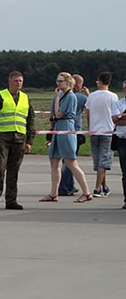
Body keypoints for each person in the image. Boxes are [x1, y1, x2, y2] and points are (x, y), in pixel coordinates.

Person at [0, 71, 36, 210]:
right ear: (9, 81)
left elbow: (30, 121)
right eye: (15, 81)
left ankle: (11, 200)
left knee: (14, 171)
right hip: (3, 139)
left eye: (20, 81)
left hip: (19, 140)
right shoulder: (1, 96)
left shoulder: (25, 98)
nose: (18, 83)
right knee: (0, 169)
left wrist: (29, 141)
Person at [41, 72, 92, 203]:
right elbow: (53, 115)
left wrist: (57, 99)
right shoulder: (60, 96)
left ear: (68, 82)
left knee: (70, 162)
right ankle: (53, 193)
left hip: (66, 128)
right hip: (58, 128)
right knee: (54, 161)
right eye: (57, 81)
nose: (58, 84)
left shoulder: (70, 97)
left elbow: (58, 114)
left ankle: (86, 192)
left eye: (61, 81)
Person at [85, 72, 118, 197]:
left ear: (99, 81)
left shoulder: (92, 96)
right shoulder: (113, 96)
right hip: (108, 131)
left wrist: (89, 127)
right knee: (103, 161)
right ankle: (97, 188)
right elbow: (115, 114)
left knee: (98, 160)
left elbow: (88, 113)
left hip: (95, 130)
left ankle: (104, 186)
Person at [58, 74, 88, 196]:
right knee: (70, 160)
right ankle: (65, 187)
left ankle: (70, 185)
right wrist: (88, 94)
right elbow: (92, 105)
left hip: (65, 129)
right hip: (74, 130)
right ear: (77, 84)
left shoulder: (62, 96)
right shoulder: (79, 97)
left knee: (66, 160)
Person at [110, 80, 126, 209]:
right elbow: (115, 120)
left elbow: (120, 118)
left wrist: (122, 116)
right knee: (125, 172)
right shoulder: (118, 103)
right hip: (122, 139)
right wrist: (120, 117)